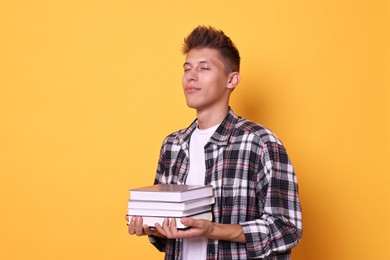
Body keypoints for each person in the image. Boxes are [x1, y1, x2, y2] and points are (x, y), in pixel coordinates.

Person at [127, 25, 302, 259]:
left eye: (204, 68)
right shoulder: (172, 145)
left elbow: (287, 229)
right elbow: (167, 239)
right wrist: (150, 226)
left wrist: (213, 229)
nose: (191, 76)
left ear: (231, 80)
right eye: (187, 68)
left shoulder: (259, 143)